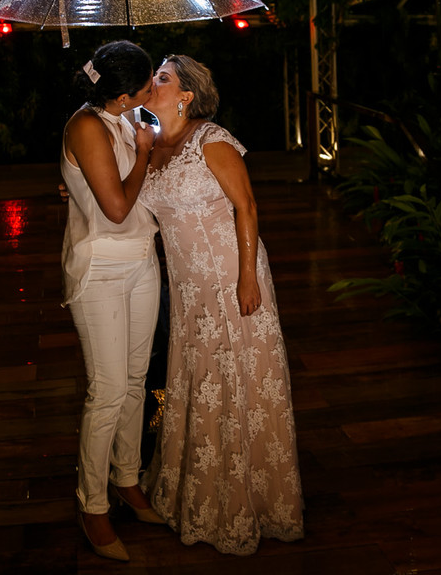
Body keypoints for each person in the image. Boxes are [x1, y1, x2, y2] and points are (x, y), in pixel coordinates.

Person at [138, 55, 304, 555]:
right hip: (187, 290)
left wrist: (248, 277)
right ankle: (199, 490)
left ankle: (252, 499)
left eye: (161, 79)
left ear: (186, 94)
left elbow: (246, 206)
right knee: (199, 380)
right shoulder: (149, 145)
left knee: (237, 382)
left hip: (231, 277)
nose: (152, 85)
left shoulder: (212, 140)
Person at [61, 40, 167, 562]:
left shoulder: (126, 117)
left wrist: (146, 147)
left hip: (141, 261)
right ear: (122, 95)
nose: (153, 92)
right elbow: (118, 208)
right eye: (147, 85)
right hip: (101, 267)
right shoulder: (86, 126)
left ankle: (127, 478)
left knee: (134, 381)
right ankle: (92, 503)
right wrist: (145, 152)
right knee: (105, 392)